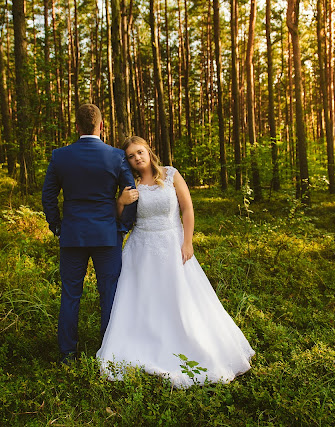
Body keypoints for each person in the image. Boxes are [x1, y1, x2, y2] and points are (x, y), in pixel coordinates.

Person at [96, 136, 254, 388]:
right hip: (141, 248)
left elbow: (187, 209)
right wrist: (120, 203)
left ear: (148, 150)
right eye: (131, 156)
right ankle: (144, 342)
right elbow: (120, 219)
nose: (137, 158)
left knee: (181, 298)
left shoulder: (170, 174)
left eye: (140, 152)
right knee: (142, 301)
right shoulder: (130, 183)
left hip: (172, 243)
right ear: (128, 162)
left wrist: (187, 241)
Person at [42, 104, 137, 364]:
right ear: (101, 126)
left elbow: (48, 196)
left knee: (71, 294)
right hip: (107, 236)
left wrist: (57, 226)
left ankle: (67, 354)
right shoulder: (116, 156)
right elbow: (132, 194)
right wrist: (121, 227)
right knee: (109, 293)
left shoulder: (60, 156)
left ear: (77, 127)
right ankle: (108, 352)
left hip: (72, 235)